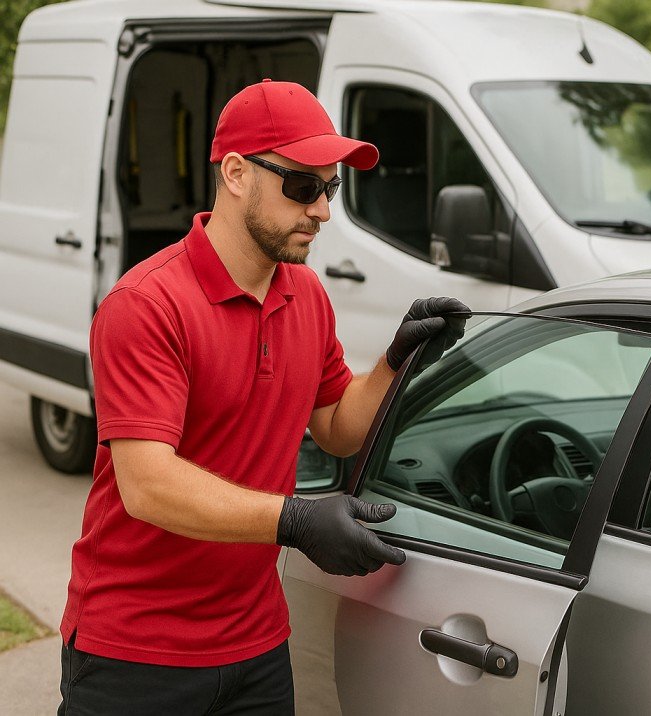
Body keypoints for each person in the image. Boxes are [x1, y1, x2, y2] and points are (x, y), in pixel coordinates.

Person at [57, 79, 468, 715]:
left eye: (329, 189)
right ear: (238, 174)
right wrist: (295, 519)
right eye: (303, 187)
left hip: (255, 645)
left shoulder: (306, 294)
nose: (323, 211)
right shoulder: (146, 306)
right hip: (135, 653)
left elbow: (335, 425)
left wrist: (396, 363)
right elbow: (147, 485)